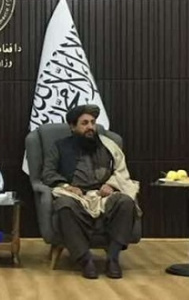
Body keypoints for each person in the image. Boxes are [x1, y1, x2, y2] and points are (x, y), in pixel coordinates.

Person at [41, 104, 140, 279]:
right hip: (76, 195)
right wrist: (67, 186)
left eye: (93, 122)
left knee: (125, 202)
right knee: (64, 205)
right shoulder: (60, 146)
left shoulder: (108, 145)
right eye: (84, 123)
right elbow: (48, 173)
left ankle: (113, 258)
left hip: (103, 196)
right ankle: (85, 260)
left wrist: (112, 185)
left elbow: (121, 171)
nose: (90, 127)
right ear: (73, 127)